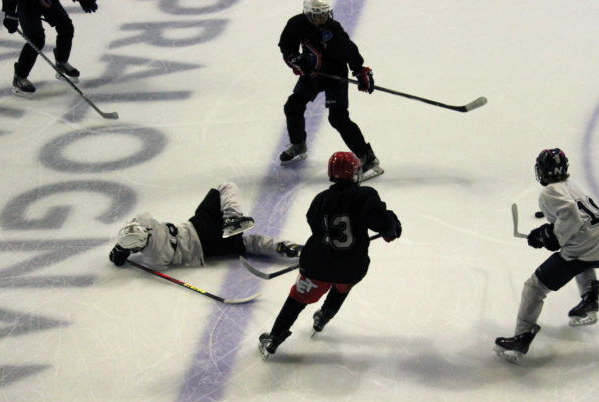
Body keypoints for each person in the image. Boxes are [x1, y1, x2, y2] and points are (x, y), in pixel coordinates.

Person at [258, 152, 402, 359]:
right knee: (342, 284)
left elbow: (314, 225)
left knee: (297, 300)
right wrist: (392, 229)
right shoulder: (365, 195)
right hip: (352, 267)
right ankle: (324, 316)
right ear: (354, 173)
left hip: (318, 266)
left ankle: (274, 337)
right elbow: (383, 222)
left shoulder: (320, 200)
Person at [494, 149, 599, 365]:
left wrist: (549, 236)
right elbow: (575, 214)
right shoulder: (572, 186)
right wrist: (547, 233)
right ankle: (589, 298)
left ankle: (521, 337)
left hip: (586, 248)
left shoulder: (549, 192)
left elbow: (569, 214)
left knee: (534, 287)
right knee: (579, 257)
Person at [277, 0, 383, 180]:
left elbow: (350, 51)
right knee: (293, 106)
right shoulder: (296, 24)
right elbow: (286, 47)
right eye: (318, 15)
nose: (323, 18)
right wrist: (296, 60)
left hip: (335, 77)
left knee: (338, 118)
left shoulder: (333, 29)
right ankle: (298, 144)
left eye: (325, 14)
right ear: (309, 14)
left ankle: (368, 158)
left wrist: (360, 72)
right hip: (313, 74)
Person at [109, 183, 301, 268]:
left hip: (207, 249)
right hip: (199, 225)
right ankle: (232, 218)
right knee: (225, 187)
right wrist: (121, 246)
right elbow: (139, 219)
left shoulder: (153, 257)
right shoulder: (147, 222)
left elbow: (143, 251)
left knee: (249, 243)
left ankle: (283, 247)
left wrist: (125, 250)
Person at [1, 0, 98, 96]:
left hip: (48, 2)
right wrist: (9, 12)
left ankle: (61, 62)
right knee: (36, 39)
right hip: (27, 5)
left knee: (66, 27)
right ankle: (19, 77)